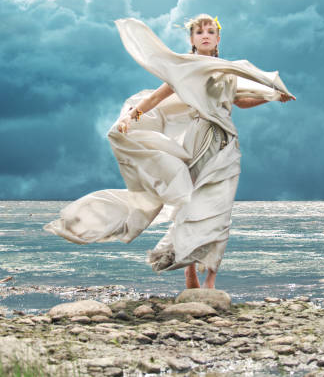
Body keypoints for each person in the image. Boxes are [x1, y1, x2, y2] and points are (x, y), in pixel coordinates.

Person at [45, 14, 295, 290]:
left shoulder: (228, 71)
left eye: (210, 31)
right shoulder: (183, 69)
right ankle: (190, 274)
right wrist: (130, 117)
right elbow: (155, 98)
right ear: (191, 39)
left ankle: (211, 277)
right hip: (198, 141)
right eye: (199, 32)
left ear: (218, 39)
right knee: (191, 206)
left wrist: (271, 97)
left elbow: (240, 103)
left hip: (227, 143)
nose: (205, 35)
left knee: (220, 211)